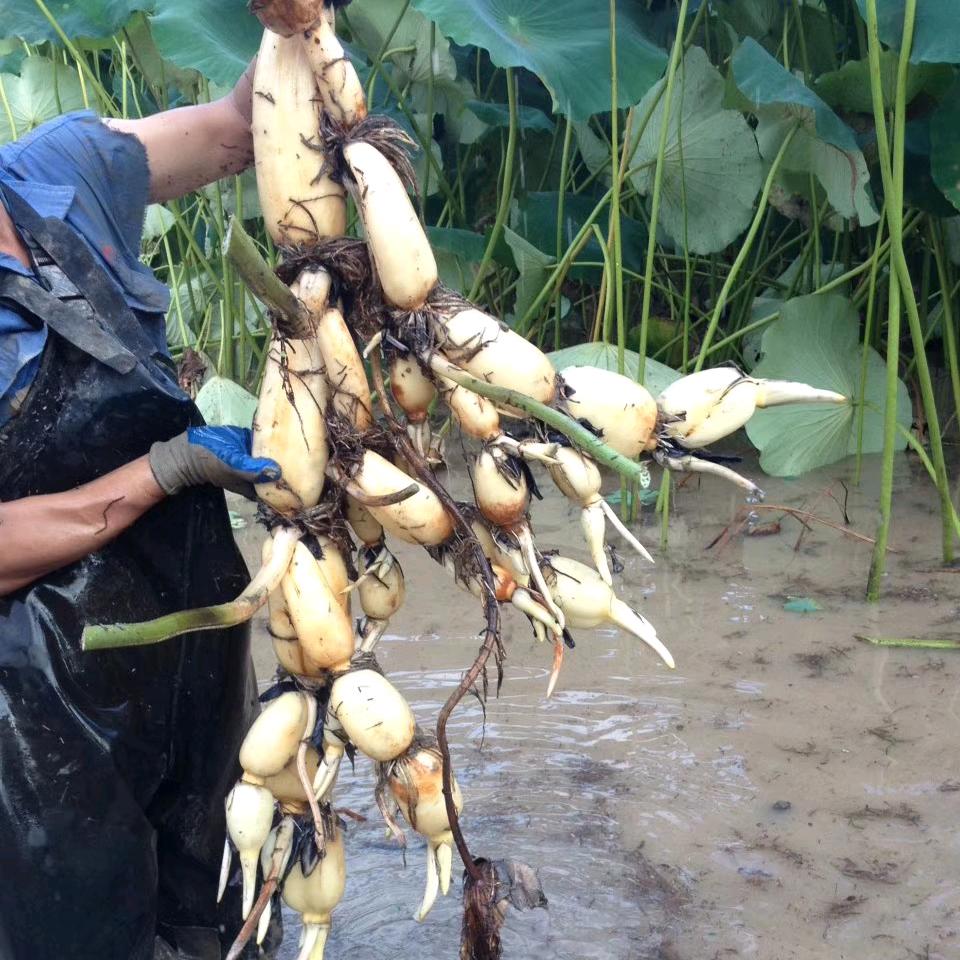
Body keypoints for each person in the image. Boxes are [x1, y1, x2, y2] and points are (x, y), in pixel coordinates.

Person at [0, 55, 280, 960]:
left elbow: (239, 129)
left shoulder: (62, 169)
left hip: (191, 628)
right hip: (39, 701)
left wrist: (298, 35)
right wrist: (159, 475)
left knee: (233, 912)